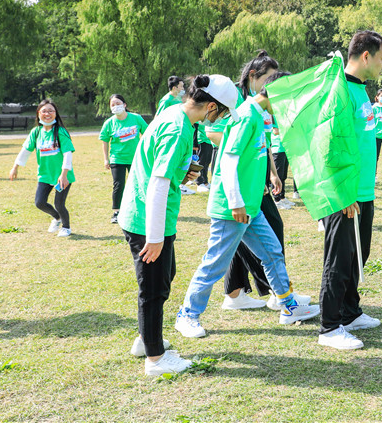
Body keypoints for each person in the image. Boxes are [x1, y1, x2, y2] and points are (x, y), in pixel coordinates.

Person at [175, 71, 320, 338]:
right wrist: (236, 202)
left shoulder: (255, 114)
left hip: (250, 206)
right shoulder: (247, 116)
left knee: (272, 251)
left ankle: (288, 306)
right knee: (215, 263)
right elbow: (228, 160)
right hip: (233, 208)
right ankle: (188, 314)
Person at [117, 74, 240, 376]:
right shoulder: (177, 129)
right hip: (147, 218)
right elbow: (158, 184)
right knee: (154, 287)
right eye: (222, 112)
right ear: (212, 106)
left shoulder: (177, 116)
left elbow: (165, 171)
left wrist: (185, 175)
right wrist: (155, 237)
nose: (221, 118)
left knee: (163, 276)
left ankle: (147, 339)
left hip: (148, 215)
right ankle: (155, 359)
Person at [216, 51, 311, 311]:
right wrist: (242, 154)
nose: (274, 84)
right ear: (253, 76)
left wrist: (271, 169)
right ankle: (275, 292)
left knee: (247, 234)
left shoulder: (260, 105)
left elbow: (263, 137)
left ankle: (236, 294)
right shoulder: (237, 100)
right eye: (269, 78)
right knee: (261, 230)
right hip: (241, 177)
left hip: (256, 172)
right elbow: (215, 131)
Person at [317, 30, 382, 351]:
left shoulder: (361, 91)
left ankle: (350, 311)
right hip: (344, 193)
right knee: (338, 259)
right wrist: (343, 192)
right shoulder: (340, 90)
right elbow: (329, 146)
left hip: (364, 191)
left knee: (358, 255)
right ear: (366, 57)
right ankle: (330, 327)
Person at [9, 99, 76, 238]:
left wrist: (64, 175)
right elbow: (25, 150)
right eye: (44, 111)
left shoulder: (60, 132)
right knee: (39, 202)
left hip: (61, 176)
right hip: (45, 175)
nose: (47, 113)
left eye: (51, 110)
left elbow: (68, 154)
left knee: (59, 203)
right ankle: (57, 218)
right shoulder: (36, 132)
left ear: (55, 114)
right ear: (39, 113)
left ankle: (66, 227)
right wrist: (15, 167)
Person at [99, 94, 149, 224]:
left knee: (139, 183)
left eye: (118, 103)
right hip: (117, 159)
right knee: (118, 185)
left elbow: (147, 133)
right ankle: (116, 211)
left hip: (135, 158)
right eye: (113, 105)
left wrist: (144, 149)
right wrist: (106, 159)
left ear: (125, 105)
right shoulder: (109, 123)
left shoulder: (136, 118)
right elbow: (104, 140)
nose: (116, 106)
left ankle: (142, 209)